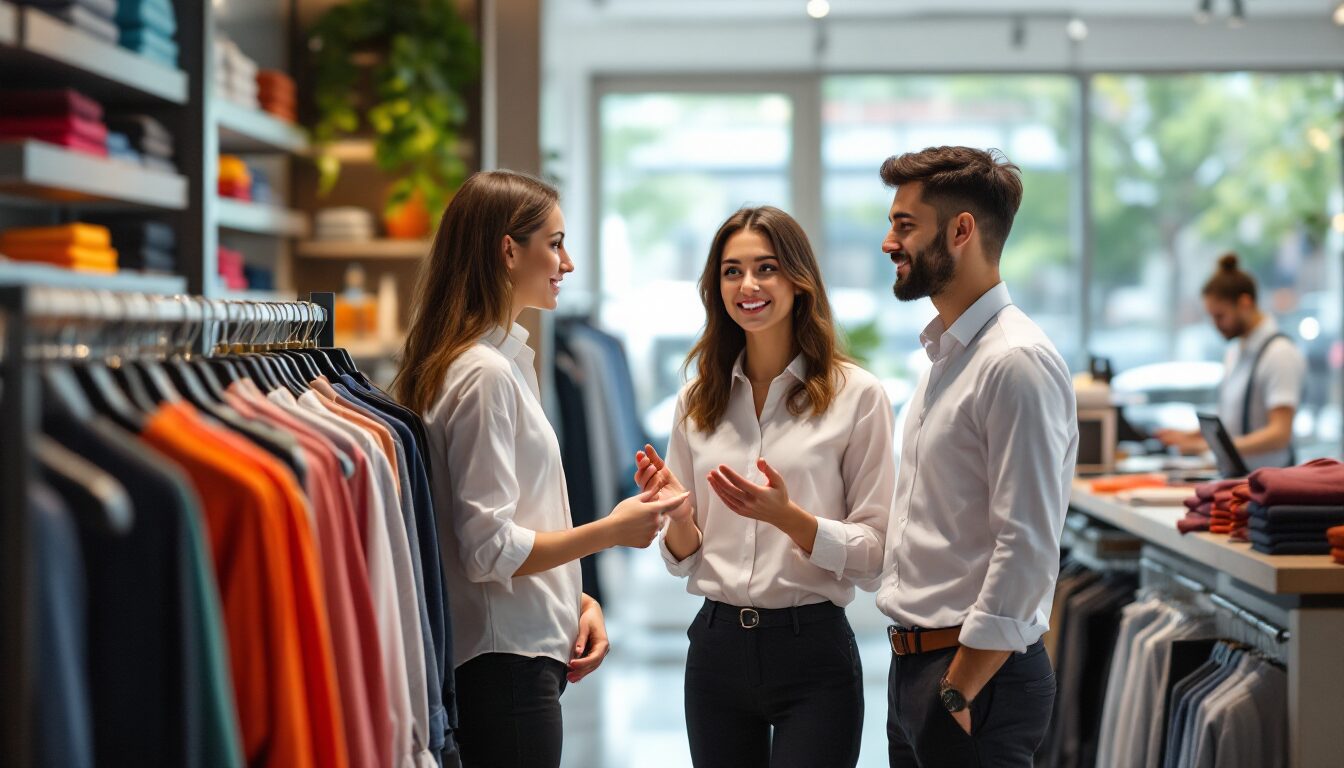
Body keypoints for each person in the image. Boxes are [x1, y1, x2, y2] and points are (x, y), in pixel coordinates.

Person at [394, 170, 688, 768]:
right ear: (508, 249)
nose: (568, 262)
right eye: (554, 242)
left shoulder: (494, 362)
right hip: (504, 670)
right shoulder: (484, 375)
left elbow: (507, 525)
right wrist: (611, 531)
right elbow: (487, 548)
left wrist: (576, 601)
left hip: (513, 657)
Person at [634, 206, 896, 768]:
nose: (747, 285)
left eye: (766, 268)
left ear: (799, 281)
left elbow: (876, 555)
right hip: (716, 648)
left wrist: (789, 519)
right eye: (732, 271)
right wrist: (677, 519)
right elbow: (682, 559)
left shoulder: (858, 396)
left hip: (814, 651)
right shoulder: (696, 401)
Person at [874, 146, 1078, 768]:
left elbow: (1028, 545)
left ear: (961, 230)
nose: (888, 242)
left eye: (905, 225)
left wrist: (958, 687)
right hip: (920, 668)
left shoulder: (1014, 361)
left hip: (972, 677)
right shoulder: (949, 357)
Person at [1155, 253, 1305, 471]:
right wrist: (1187, 436)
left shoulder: (1279, 354)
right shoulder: (1236, 351)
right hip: (1237, 481)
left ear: (1245, 303)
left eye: (1220, 316)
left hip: (1269, 489)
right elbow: (1231, 424)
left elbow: (1279, 434)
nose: (1216, 325)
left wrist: (1206, 446)